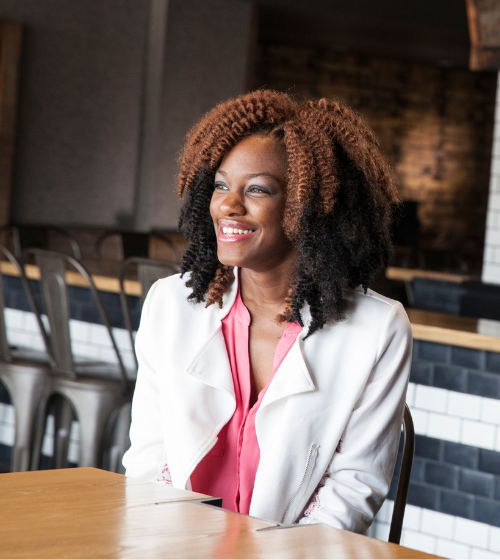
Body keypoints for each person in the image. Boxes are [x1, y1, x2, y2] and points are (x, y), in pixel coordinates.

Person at [122, 90, 412, 534]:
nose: (228, 205)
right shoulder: (170, 305)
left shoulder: (378, 330)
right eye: (221, 185)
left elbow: (353, 488)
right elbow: (148, 459)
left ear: (309, 208)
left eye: (257, 189)